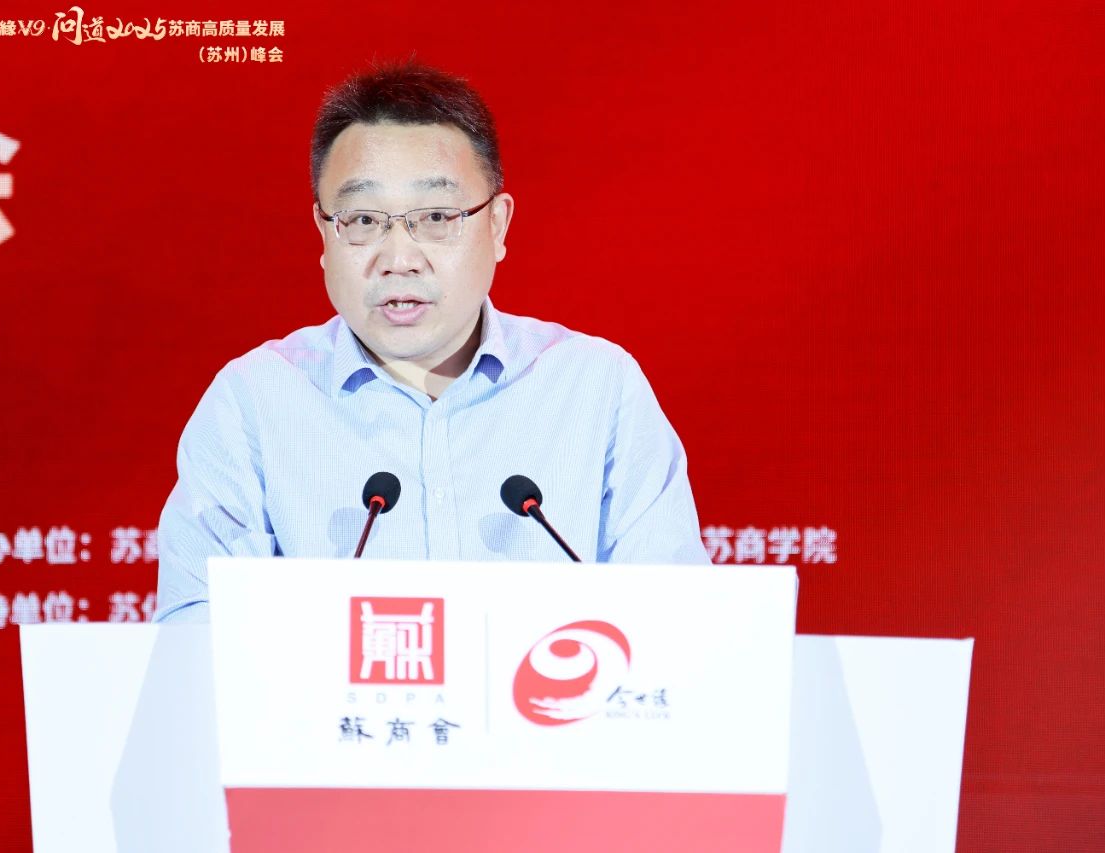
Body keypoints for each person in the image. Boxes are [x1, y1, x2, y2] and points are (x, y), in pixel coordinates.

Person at [155, 60, 708, 623]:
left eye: (438, 215)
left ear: (498, 225)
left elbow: (677, 623)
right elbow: (194, 632)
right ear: (323, 233)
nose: (399, 259)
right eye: (362, 220)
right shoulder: (253, 402)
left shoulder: (596, 388)